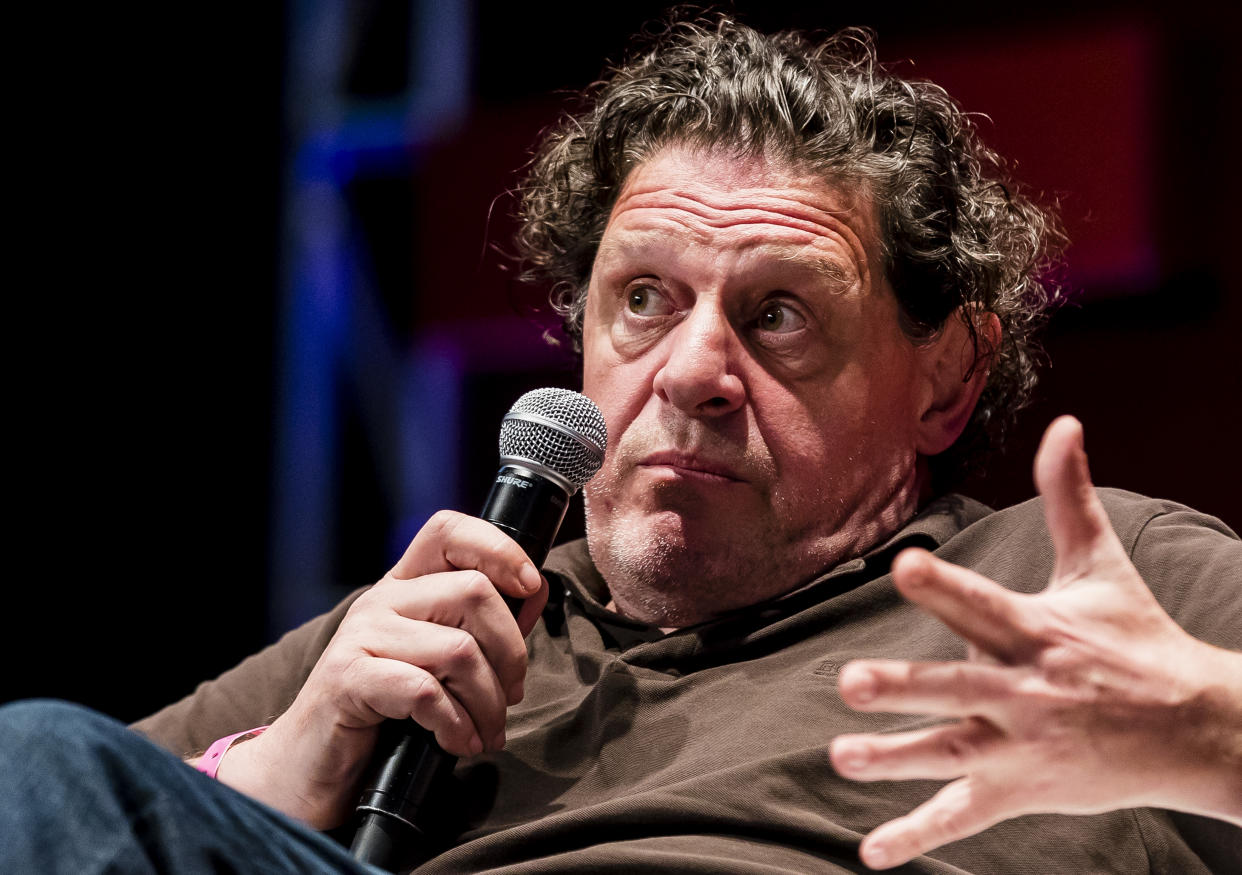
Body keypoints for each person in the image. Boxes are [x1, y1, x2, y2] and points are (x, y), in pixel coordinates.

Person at [3, 13, 1239, 873]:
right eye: (643, 298)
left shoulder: (1083, 584)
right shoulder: (444, 613)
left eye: (780, 313)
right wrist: (284, 760)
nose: (692, 369)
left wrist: (1199, 725)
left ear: (948, 376)